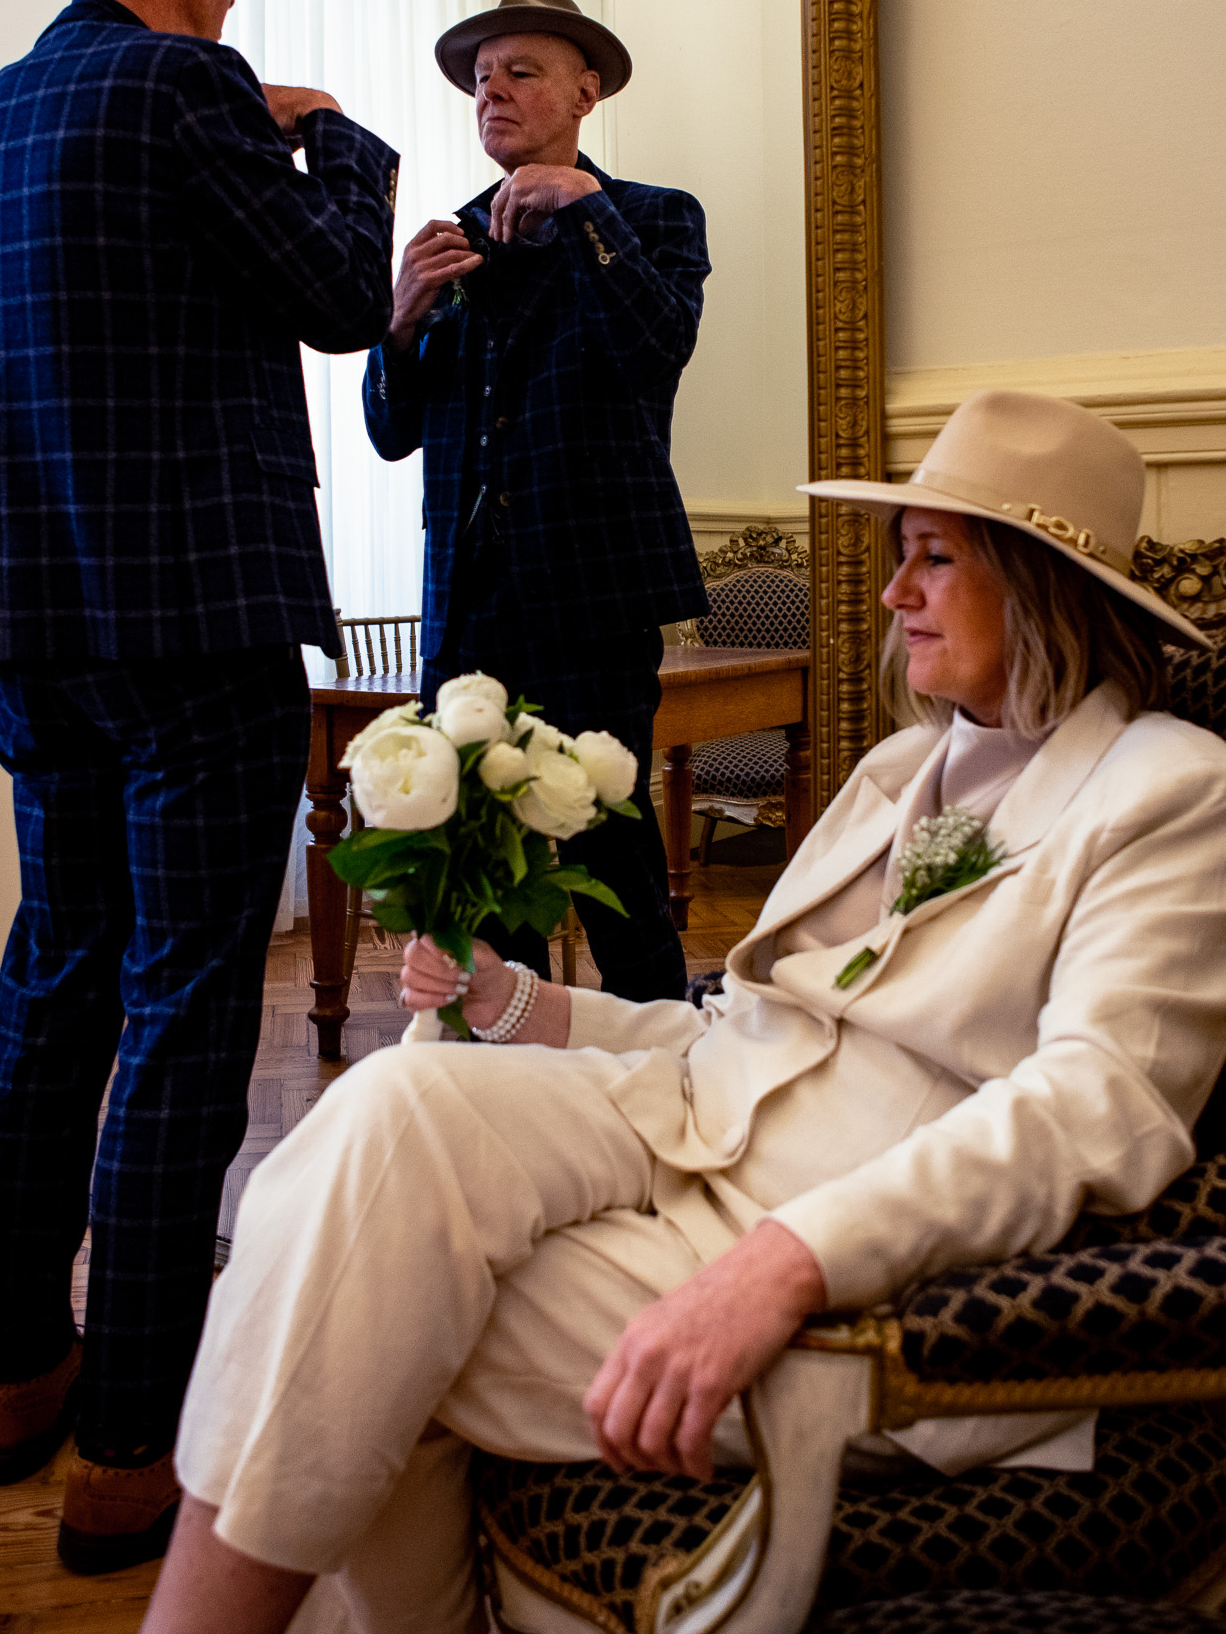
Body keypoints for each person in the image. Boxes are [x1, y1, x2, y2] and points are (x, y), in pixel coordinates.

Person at [143, 388, 1226, 1634]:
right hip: (693, 1142)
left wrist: (785, 1263)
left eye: (935, 557)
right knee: (390, 1105)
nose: (892, 594)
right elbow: (746, 1030)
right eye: (899, 556)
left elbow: (1098, 1110)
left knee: (345, 1302)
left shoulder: (1168, 792)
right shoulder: (892, 772)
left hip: (871, 1269)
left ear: (1044, 582)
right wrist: (526, 1004)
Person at [0, 0, 397, 1572]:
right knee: (188, 997)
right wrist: (332, 143)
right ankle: (130, 1442)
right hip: (192, 618)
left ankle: (14, 1374)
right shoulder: (189, 94)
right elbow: (346, 296)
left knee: (54, 968)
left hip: (31, 616)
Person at [362, 0, 711, 1002]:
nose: (493, 94)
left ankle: (661, 1058)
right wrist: (400, 318)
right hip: (467, 599)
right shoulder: (448, 243)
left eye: (522, 71)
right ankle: (490, 1069)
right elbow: (390, 432)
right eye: (480, 79)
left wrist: (591, 212)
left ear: (586, 90)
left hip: (594, 595)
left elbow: (654, 350)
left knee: (611, 845)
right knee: (467, 851)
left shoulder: (652, 217)